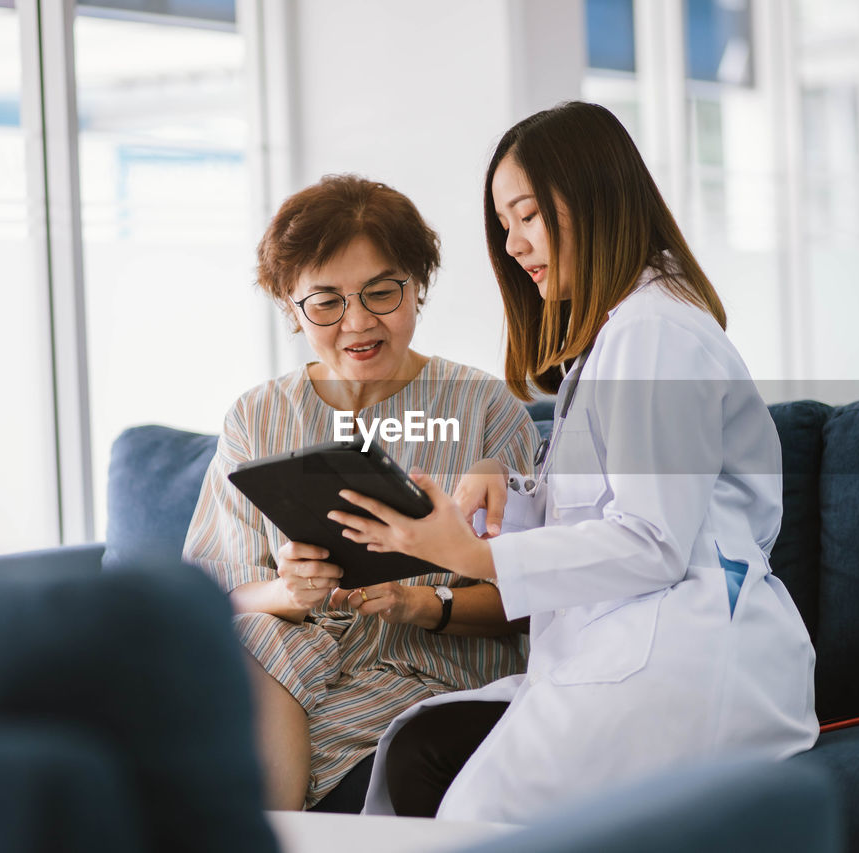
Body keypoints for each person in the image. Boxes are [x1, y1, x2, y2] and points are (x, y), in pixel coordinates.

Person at [329, 102, 819, 824]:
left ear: (592, 194)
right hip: (626, 644)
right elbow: (610, 505)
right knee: (420, 747)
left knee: (474, 812)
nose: (515, 243)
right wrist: (510, 496)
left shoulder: (655, 334)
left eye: (526, 214)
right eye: (504, 224)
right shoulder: (622, 332)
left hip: (680, 660)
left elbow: (652, 540)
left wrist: (474, 554)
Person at [183, 174, 540, 812]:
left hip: (433, 662)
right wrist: (286, 591)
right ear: (291, 308)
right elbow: (213, 591)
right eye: (325, 302)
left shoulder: (485, 408)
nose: (358, 322)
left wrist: (422, 604)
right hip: (295, 668)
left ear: (417, 286)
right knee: (252, 635)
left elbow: (534, 594)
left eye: (382, 292)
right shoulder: (257, 416)